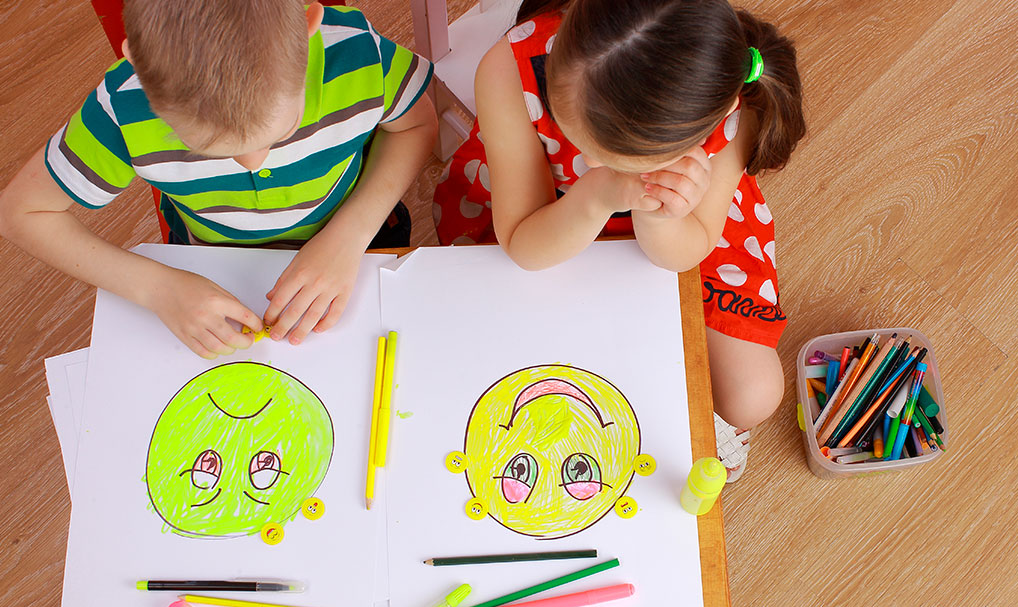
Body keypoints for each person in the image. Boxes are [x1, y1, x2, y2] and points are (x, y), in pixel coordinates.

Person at [432, 0, 806, 481]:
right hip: (552, 214)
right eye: (583, 143)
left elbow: (689, 249)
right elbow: (523, 241)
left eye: (607, 153)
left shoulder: (733, 106)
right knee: (519, 355)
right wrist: (597, 194)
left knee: (753, 395)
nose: (585, 155)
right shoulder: (510, 69)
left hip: (680, 231)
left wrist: (660, 218)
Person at [0, 1, 436, 358]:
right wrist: (158, 289)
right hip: (209, 263)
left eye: (279, 131)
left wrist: (349, 236)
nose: (252, 162)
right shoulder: (124, 107)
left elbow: (417, 127)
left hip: (362, 238)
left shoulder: (357, 55)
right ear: (137, 66)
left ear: (308, 27)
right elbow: (20, 212)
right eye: (211, 148)